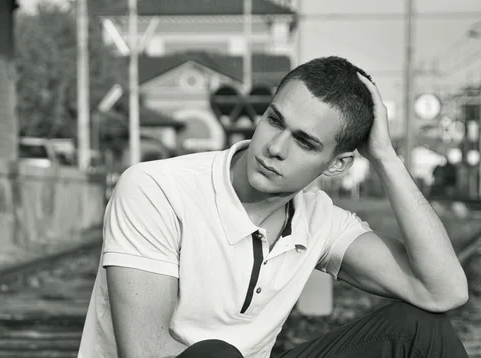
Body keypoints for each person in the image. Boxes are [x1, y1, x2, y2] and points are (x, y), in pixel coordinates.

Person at [78, 56, 470, 358]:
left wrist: (386, 159)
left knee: (420, 330)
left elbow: (443, 292)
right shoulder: (156, 189)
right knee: (216, 354)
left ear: (338, 164)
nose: (274, 148)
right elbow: (144, 352)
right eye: (274, 120)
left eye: (304, 142)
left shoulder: (319, 219)